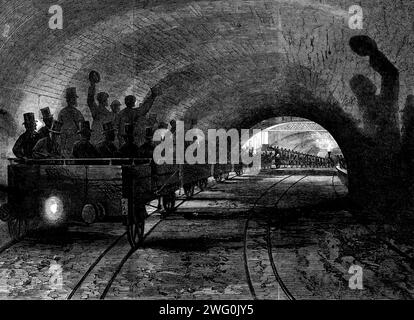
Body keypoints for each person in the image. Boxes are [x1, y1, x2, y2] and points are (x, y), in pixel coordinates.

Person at [58, 87, 85, 157]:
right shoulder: (77, 113)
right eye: (74, 98)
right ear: (71, 99)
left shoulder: (62, 112)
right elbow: (82, 127)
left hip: (65, 139)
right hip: (72, 139)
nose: (75, 100)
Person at [87, 72, 112, 144]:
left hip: (102, 137)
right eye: (106, 99)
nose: (107, 101)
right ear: (104, 101)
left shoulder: (107, 112)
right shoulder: (97, 109)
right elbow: (90, 100)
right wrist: (92, 85)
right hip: (97, 137)